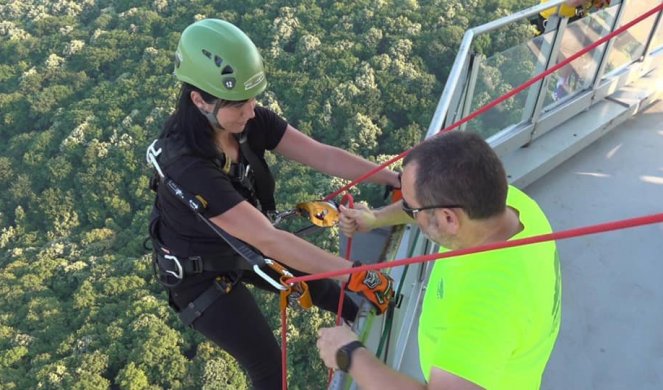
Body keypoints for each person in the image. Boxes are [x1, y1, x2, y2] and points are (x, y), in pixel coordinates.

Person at [147, 19, 396, 390]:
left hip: (242, 243)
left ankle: (383, 364)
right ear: (200, 100)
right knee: (269, 369)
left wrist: (394, 178)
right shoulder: (188, 166)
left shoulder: (246, 121)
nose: (251, 111)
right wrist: (358, 273)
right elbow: (269, 240)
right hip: (198, 276)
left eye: (252, 100)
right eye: (239, 104)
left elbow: (322, 155)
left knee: (335, 290)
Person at [317, 131, 562, 389]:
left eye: (412, 208)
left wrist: (351, 355)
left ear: (448, 219)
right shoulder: (507, 204)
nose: (409, 211)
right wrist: (377, 218)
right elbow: (433, 207)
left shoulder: (488, 306)